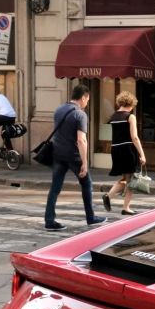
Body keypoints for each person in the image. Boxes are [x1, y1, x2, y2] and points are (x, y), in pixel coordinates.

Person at [44, 85, 105, 231]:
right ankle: (91, 218)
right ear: (83, 97)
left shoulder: (58, 110)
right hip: (74, 156)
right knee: (86, 184)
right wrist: (85, 162)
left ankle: (49, 220)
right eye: (87, 100)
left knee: (55, 187)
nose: (87, 103)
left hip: (58, 154)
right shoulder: (80, 114)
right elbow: (82, 140)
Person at [102, 91, 147, 215]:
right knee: (131, 180)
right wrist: (142, 154)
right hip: (128, 149)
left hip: (116, 149)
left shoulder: (113, 116)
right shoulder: (130, 117)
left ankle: (112, 198)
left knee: (126, 178)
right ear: (131, 104)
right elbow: (134, 137)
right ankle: (123, 205)